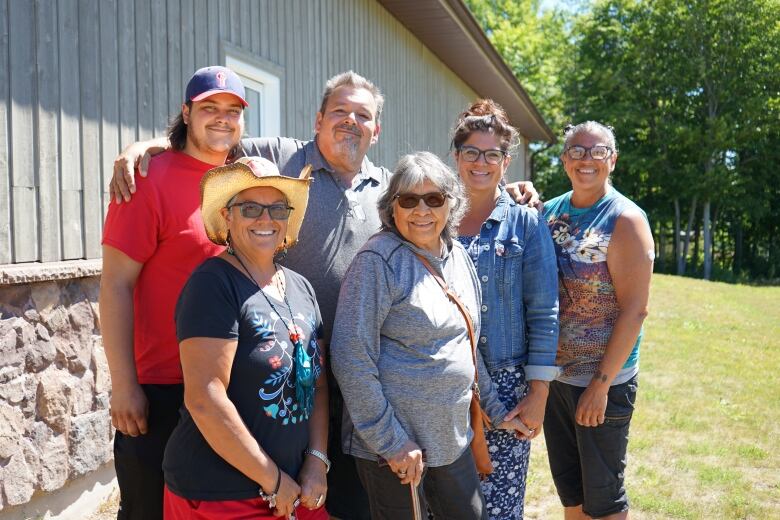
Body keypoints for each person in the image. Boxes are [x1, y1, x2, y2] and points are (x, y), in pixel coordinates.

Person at [108, 71, 540, 520]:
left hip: (346, 387)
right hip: (266, 374)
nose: (350, 121)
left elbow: (432, 199)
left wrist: (499, 195)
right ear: (317, 120)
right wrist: (152, 149)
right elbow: (213, 134)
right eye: (339, 111)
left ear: (377, 130)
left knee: (343, 499)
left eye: (363, 115)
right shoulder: (282, 158)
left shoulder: (389, 190)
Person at [330, 152, 533, 520]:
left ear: (451, 204)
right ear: (393, 208)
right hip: (396, 451)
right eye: (408, 200)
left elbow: (466, 345)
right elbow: (350, 356)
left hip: (452, 442)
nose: (421, 210)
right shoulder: (377, 261)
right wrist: (391, 442)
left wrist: (496, 411)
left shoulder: (457, 256)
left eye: (433, 199)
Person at [99, 66, 247, 520]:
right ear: (186, 113)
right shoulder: (147, 177)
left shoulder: (245, 182)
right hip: (162, 387)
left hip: (230, 386)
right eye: (209, 108)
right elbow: (116, 285)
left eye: (232, 111)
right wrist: (124, 384)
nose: (221, 119)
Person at [162, 157, 329, 519]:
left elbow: (316, 385)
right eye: (250, 207)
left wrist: (317, 461)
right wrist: (273, 481)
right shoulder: (212, 284)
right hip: (221, 494)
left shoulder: (301, 287)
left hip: (297, 488)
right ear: (228, 216)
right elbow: (205, 398)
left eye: (276, 208)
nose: (265, 218)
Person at [451, 100, 559, 519]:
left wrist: (539, 391)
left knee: (497, 508)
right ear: (457, 156)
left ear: (506, 161)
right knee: (441, 503)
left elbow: (544, 312)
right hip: (439, 383)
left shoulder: (526, 223)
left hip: (506, 385)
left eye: (492, 154)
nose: (481, 162)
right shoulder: (432, 216)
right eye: (472, 152)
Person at [543, 122, 654, 520]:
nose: (586, 159)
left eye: (597, 151)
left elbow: (635, 309)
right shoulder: (550, 211)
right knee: (572, 494)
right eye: (576, 150)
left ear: (613, 160)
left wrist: (600, 385)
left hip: (602, 380)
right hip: (556, 377)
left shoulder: (625, 219)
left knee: (603, 501)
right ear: (564, 160)